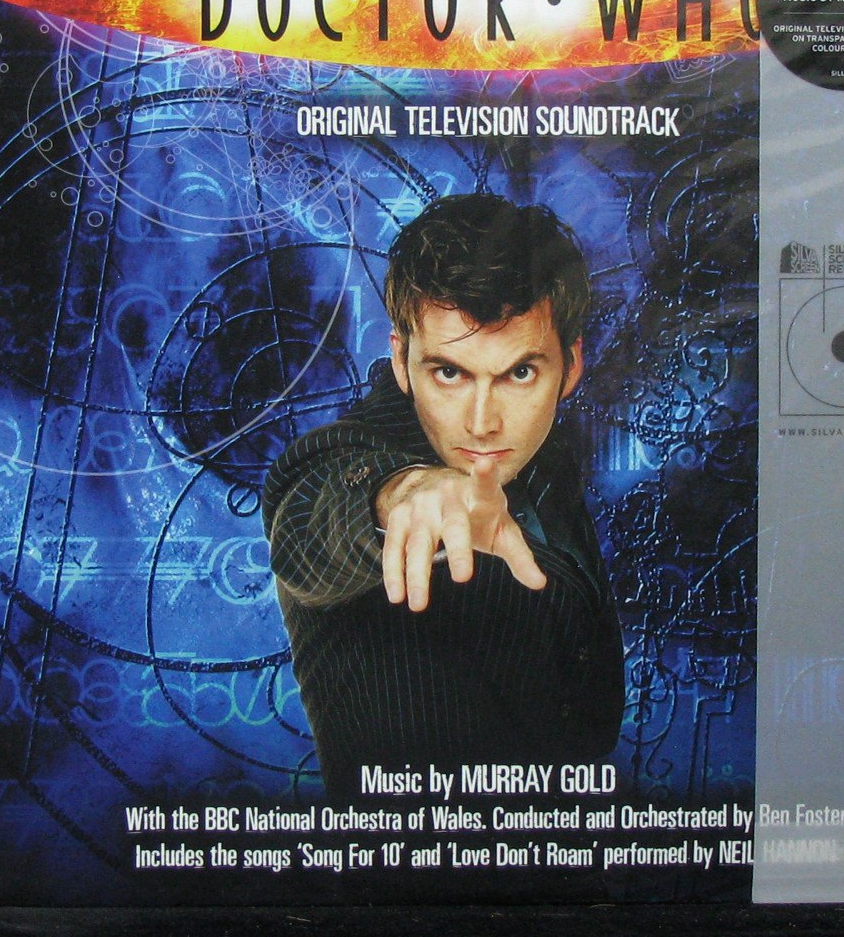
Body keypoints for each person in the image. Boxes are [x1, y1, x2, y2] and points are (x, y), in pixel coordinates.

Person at [263, 193, 625, 798]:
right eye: (449, 373)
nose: (482, 424)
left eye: (519, 373)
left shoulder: (544, 458)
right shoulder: (340, 456)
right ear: (400, 360)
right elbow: (308, 528)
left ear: (571, 366)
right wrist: (401, 495)